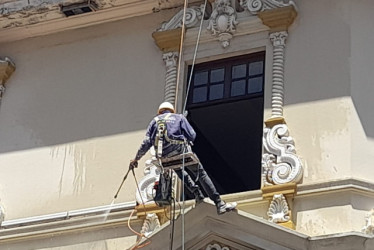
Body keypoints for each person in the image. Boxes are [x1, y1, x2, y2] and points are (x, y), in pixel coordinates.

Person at [129, 101, 236, 215]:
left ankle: (197, 194)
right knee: (200, 173)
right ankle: (219, 203)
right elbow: (192, 135)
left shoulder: (154, 122)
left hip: (165, 159)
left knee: (179, 170)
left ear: (160, 111)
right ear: (172, 110)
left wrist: (136, 159)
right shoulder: (179, 118)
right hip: (180, 152)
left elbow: (146, 143)